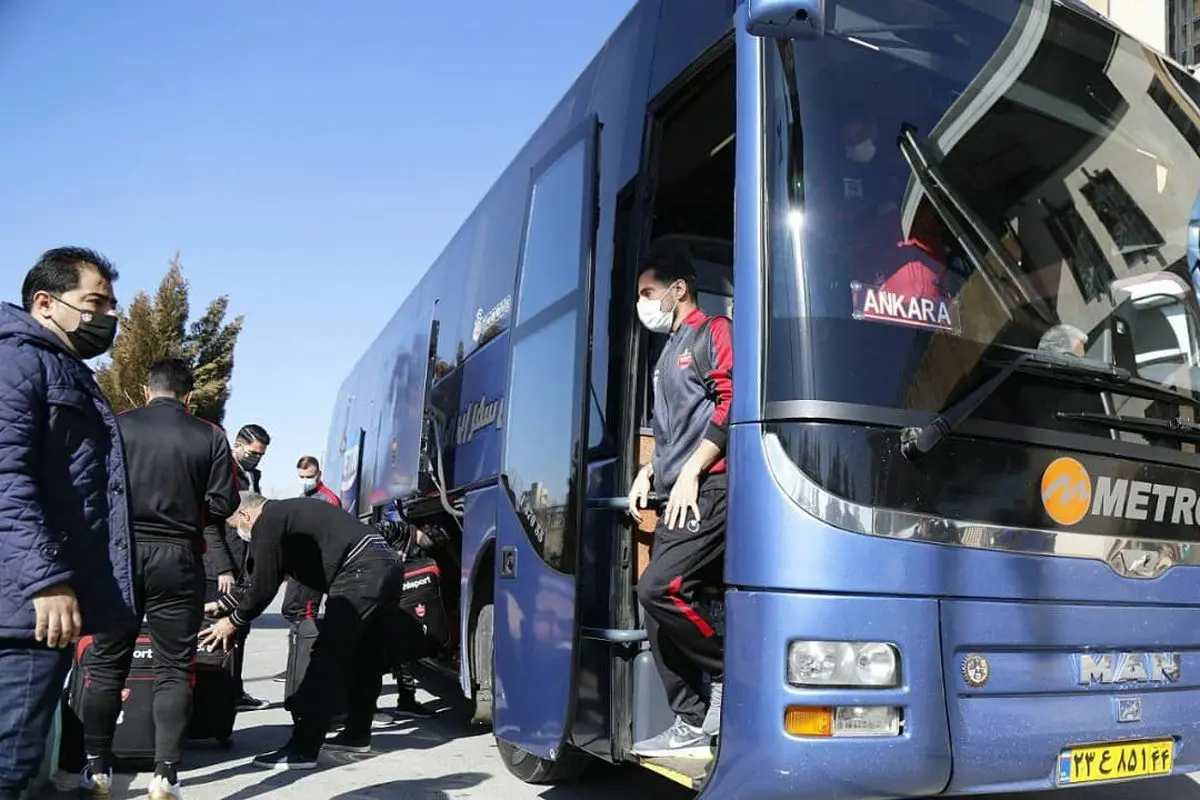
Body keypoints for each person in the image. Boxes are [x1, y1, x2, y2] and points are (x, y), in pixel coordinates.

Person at [0, 248, 138, 800]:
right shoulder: (20, 361)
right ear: (45, 302)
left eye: (111, 303)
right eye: (93, 301)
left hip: (31, 599)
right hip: (24, 608)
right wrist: (46, 581)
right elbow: (7, 478)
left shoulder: (59, 366)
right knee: (11, 763)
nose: (107, 315)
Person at [78, 358, 239, 800]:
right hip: (179, 558)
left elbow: (88, 484)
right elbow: (224, 504)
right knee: (173, 668)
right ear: (188, 397)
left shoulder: (117, 425)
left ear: (146, 391)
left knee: (107, 664)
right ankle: (165, 775)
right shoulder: (210, 435)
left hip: (120, 556)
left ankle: (97, 768)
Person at [199, 493, 408, 770]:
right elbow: (257, 580)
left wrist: (233, 621)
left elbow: (264, 588)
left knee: (326, 660)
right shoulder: (289, 515)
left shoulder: (268, 522)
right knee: (366, 658)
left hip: (359, 572)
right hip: (386, 565)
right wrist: (223, 604)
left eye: (234, 525)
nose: (238, 532)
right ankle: (357, 735)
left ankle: (303, 748)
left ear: (246, 516)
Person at [627, 246, 733, 758]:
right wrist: (648, 471)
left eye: (648, 293)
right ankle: (691, 722)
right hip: (672, 493)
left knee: (660, 588)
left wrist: (692, 471)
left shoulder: (713, 331)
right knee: (652, 609)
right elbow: (671, 430)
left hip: (708, 487)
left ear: (678, 288)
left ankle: (731, 671)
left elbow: (733, 402)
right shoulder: (666, 353)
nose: (643, 304)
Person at [203, 424, 271, 711]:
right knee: (215, 629)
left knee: (239, 628)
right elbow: (209, 523)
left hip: (245, 564)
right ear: (239, 444)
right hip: (221, 569)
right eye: (253, 453)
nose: (256, 459)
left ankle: (234, 690)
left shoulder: (253, 476)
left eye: (261, 455)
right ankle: (212, 691)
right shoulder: (220, 470)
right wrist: (222, 569)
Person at [279, 456, 340, 631]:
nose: (305, 481)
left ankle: (306, 650)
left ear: (318, 474)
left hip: (315, 567)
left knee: (306, 615)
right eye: (302, 477)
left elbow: (333, 537)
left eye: (309, 477)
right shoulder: (303, 496)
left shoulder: (329, 500)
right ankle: (299, 646)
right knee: (290, 609)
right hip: (298, 566)